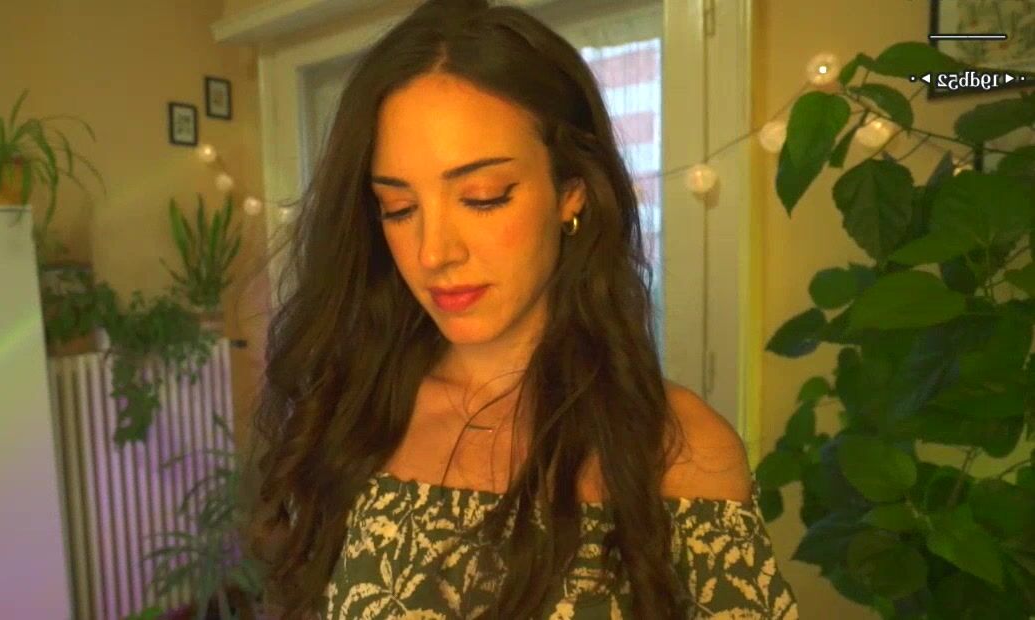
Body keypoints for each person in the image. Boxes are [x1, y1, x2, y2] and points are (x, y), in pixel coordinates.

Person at [245, 0, 799, 617]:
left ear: (571, 192)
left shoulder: (678, 450)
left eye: (483, 197)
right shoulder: (350, 417)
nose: (434, 253)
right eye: (399, 208)